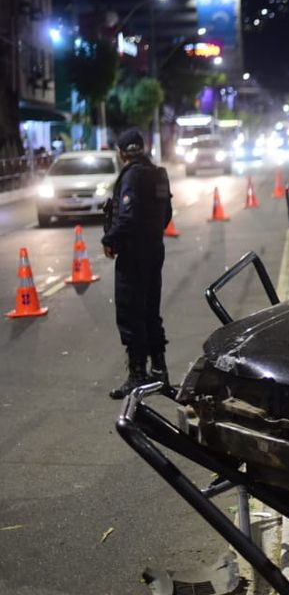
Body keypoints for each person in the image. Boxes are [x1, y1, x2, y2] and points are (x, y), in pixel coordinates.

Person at [102, 129, 174, 399]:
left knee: (131, 313)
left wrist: (110, 239)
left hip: (133, 255)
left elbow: (127, 217)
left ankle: (137, 375)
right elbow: (166, 214)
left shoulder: (131, 176)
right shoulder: (158, 174)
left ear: (121, 153)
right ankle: (159, 370)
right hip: (155, 250)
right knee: (150, 310)